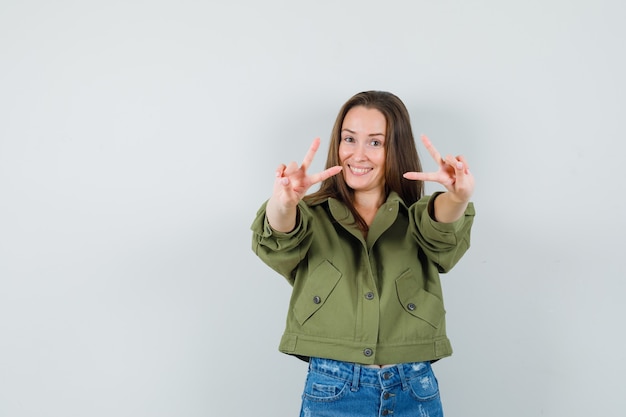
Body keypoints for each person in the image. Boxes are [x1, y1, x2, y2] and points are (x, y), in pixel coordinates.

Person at [251, 91, 475, 417]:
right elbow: (280, 235)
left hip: (413, 387)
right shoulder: (311, 214)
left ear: (395, 149)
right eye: (349, 139)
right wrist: (283, 203)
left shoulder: (416, 215)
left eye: (375, 142)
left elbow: (439, 223)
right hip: (334, 387)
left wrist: (457, 198)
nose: (358, 154)